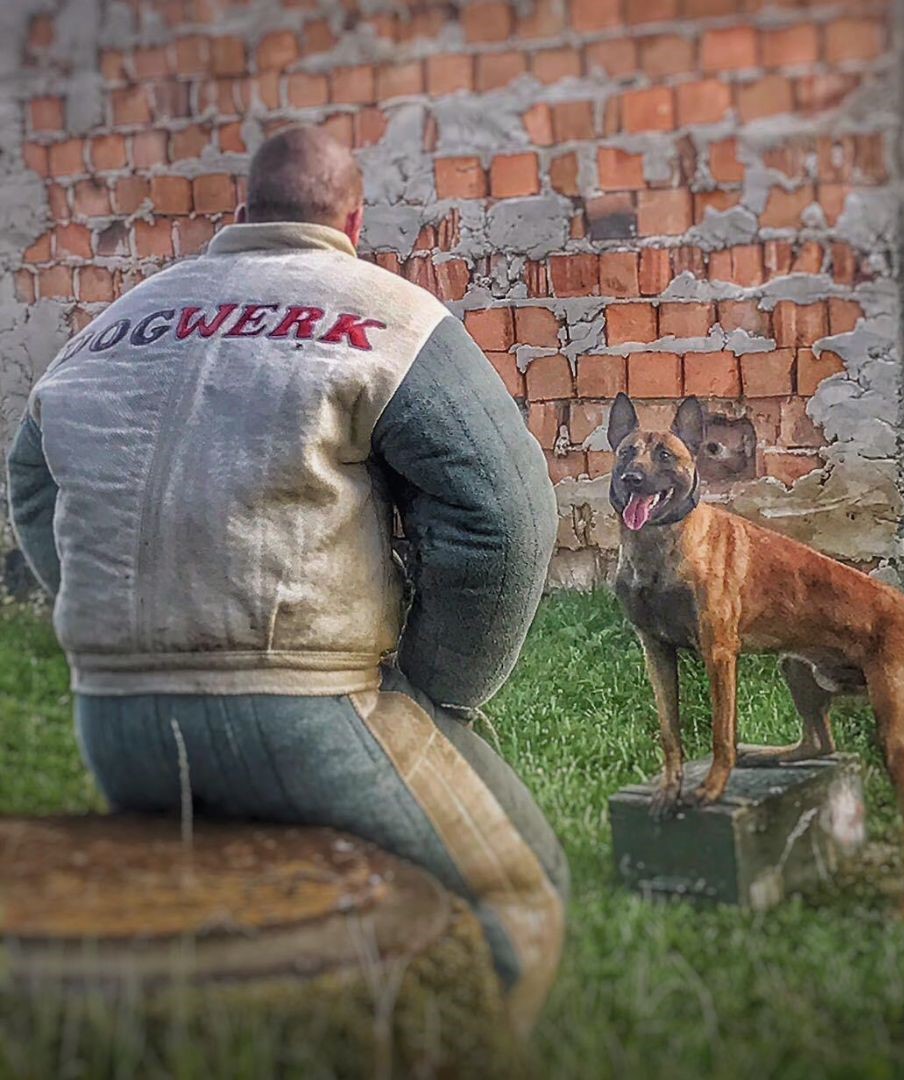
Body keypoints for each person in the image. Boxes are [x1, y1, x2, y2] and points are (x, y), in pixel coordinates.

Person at [6, 125, 567, 1033]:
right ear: (353, 219)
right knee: (520, 889)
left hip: (113, 717)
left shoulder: (107, 327)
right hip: (305, 711)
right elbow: (506, 514)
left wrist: (116, 620)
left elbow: (32, 486)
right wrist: (439, 690)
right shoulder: (389, 313)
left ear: (239, 214)